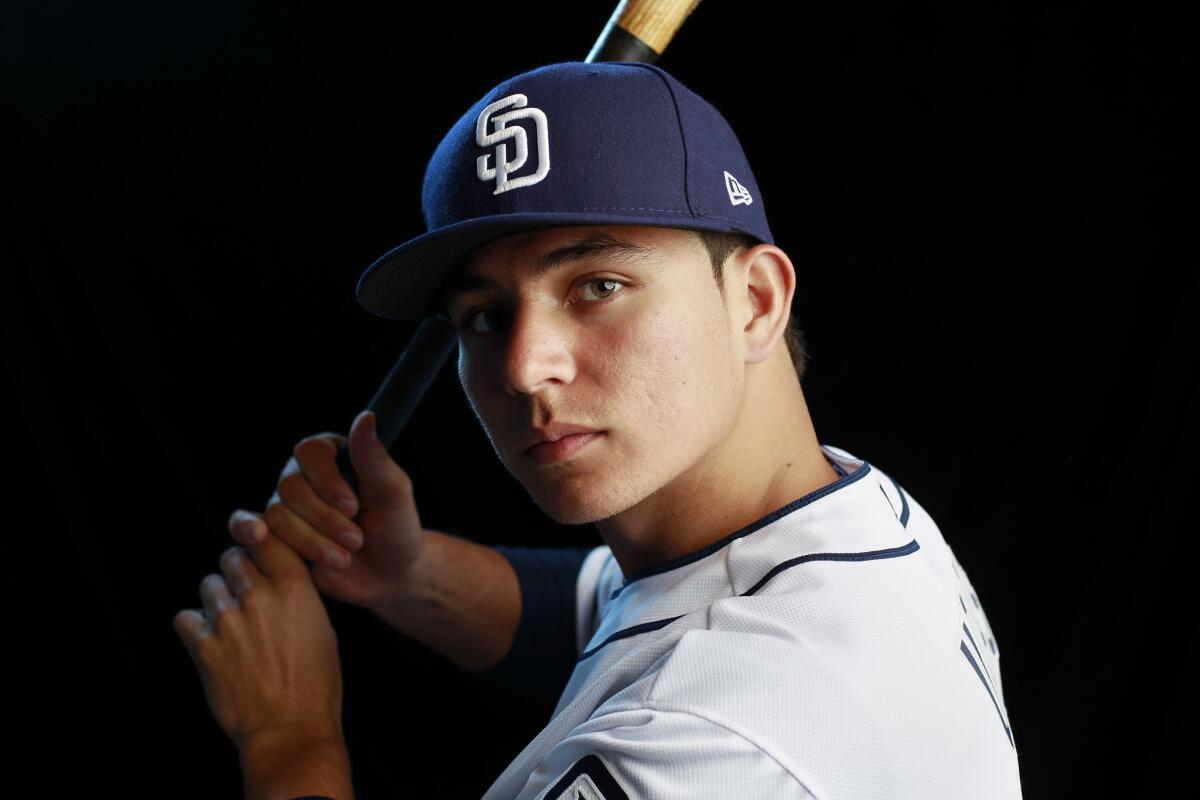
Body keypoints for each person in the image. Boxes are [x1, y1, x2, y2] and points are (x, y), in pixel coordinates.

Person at [173, 61, 1023, 799]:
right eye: (482, 315)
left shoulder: (728, 740)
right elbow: (604, 612)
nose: (522, 365)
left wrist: (289, 737)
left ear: (755, 302)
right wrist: (408, 574)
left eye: (598, 286)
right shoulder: (833, 513)